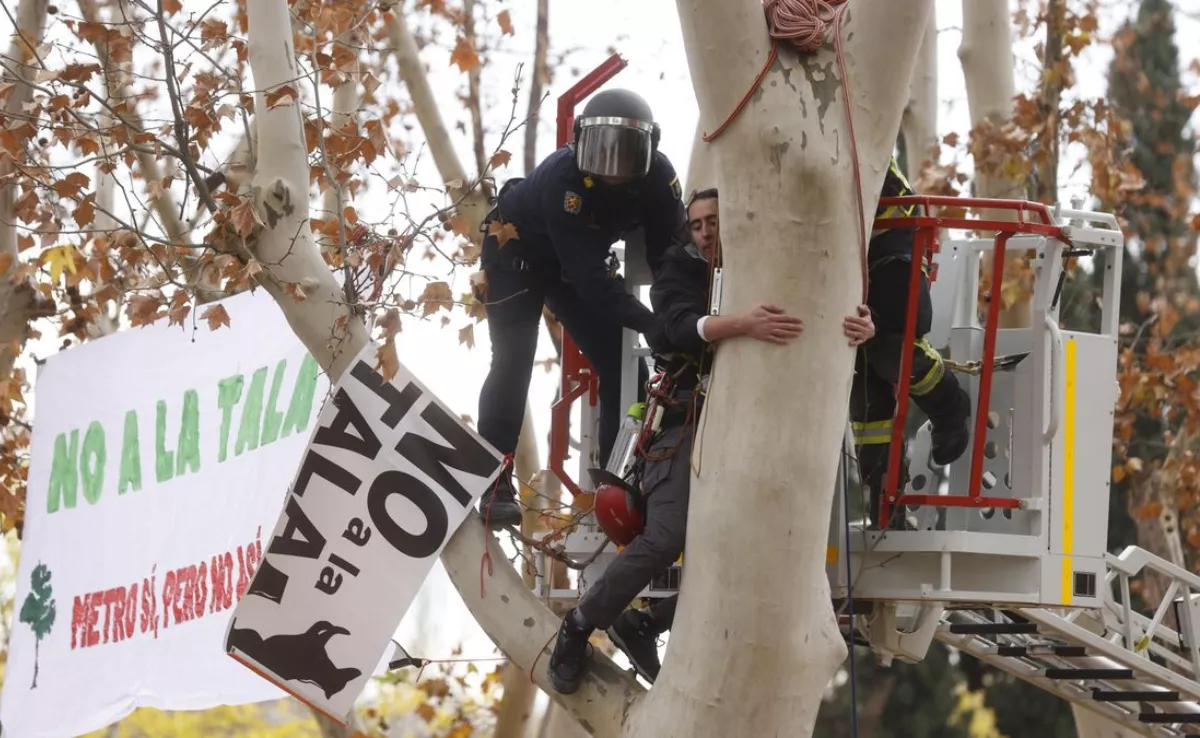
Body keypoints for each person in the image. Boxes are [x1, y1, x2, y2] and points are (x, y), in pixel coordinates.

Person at [546, 187, 876, 691]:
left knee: (768, 547)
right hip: (683, 423)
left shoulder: (776, 266)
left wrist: (859, 324)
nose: (704, 233)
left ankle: (648, 622)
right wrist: (742, 323)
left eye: (714, 222)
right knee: (667, 535)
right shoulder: (678, 268)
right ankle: (578, 627)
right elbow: (676, 327)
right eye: (697, 223)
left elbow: (820, 310)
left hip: (759, 428)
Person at [474, 89, 687, 529]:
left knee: (621, 364)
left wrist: (677, 321)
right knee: (513, 361)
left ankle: (621, 482)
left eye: (625, 152)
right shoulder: (562, 181)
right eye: (601, 151)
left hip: (572, 267)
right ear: (579, 142)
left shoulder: (659, 179)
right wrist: (650, 324)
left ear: (650, 149)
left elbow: (673, 253)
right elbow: (591, 279)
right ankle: (495, 487)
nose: (612, 168)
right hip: (517, 257)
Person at [851, 157, 973, 528]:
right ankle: (887, 502)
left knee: (890, 346)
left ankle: (950, 405)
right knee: (865, 400)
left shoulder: (854, 136)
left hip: (895, 255)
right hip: (854, 260)